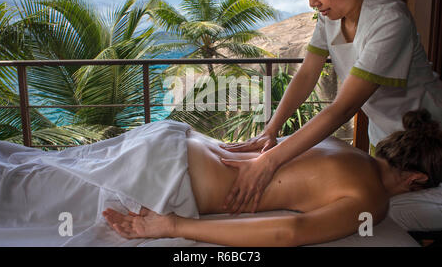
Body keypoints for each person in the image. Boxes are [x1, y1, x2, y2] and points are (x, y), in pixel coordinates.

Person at [217, 0, 442, 215]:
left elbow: (343, 108)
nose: (311, 1)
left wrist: (269, 162)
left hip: (430, 138)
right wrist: (271, 129)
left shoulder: (389, 19)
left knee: (379, 213)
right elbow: (306, 74)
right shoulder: (331, 16)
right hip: (387, 138)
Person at [102, 109, 442, 246]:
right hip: (173, 178)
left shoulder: (336, 142)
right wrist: (172, 226)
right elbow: (289, 232)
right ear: (416, 180)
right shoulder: (373, 200)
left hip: (171, 140)